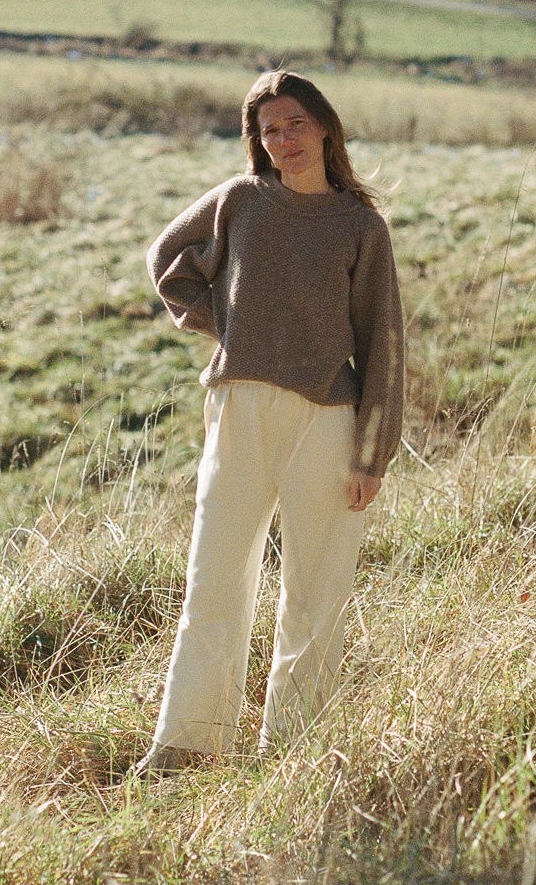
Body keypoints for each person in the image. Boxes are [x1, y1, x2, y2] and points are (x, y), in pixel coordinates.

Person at [136, 68, 404, 773]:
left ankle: (294, 751)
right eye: (268, 129)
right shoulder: (240, 202)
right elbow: (167, 260)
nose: (283, 139)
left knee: (317, 590)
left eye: (294, 124)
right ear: (257, 140)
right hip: (239, 407)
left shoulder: (358, 225)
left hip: (329, 419)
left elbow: (383, 339)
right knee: (214, 576)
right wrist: (230, 328)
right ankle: (188, 745)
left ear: (322, 127)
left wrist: (371, 454)